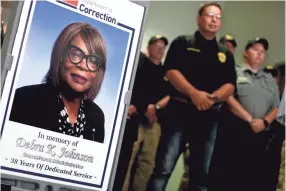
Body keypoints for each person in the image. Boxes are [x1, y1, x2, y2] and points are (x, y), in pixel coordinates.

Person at [147, 2, 237, 191]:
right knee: (163, 168)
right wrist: (195, 94)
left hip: (209, 117)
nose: (214, 20)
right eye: (210, 15)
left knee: (201, 175)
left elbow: (230, 85)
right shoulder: (182, 42)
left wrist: (211, 98)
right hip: (179, 113)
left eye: (218, 17)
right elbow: (171, 72)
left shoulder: (225, 53)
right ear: (199, 18)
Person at [9, 22, 106, 143]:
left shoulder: (97, 117)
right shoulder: (24, 99)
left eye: (93, 60)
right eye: (76, 54)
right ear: (60, 55)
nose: (83, 66)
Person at [223, 37, 280, 191]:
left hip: (260, 137)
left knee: (253, 180)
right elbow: (228, 97)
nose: (259, 54)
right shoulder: (234, 72)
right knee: (230, 179)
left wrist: (265, 122)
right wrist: (250, 119)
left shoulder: (269, 80)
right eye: (255, 50)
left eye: (262, 52)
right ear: (245, 53)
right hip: (235, 134)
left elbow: (276, 106)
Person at [114, 35, 170, 191]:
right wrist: (142, 107)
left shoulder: (166, 72)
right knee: (127, 159)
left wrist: (156, 107)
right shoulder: (140, 65)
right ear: (149, 47)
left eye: (163, 47)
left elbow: (171, 94)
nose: (160, 49)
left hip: (154, 122)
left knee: (147, 163)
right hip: (136, 119)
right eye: (157, 45)